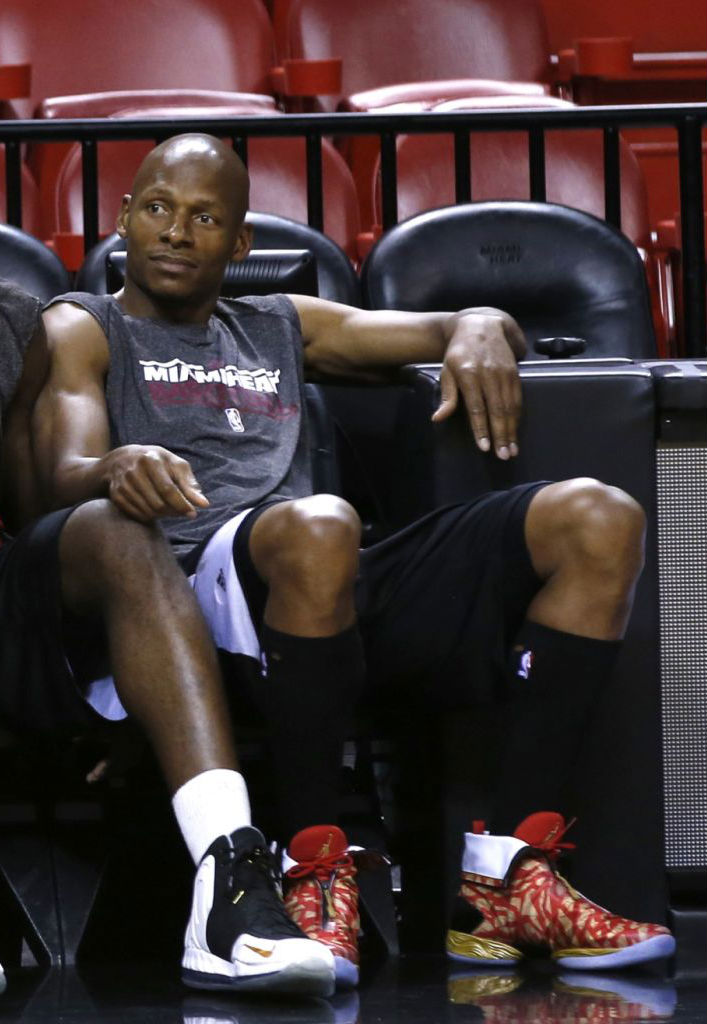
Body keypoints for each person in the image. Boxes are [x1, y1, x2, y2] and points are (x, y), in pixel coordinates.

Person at [35, 133, 674, 991]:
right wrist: (113, 467)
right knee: (321, 525)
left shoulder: (280, 322)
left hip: (317, 569)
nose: (177, 233)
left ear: (239, 246)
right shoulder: (85, 324)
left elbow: (448, 326)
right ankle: (310, 873)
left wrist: (480, 322)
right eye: (156, 210)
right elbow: (60, 477)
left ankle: (508, 878)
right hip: (184, 588)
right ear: (122, 222)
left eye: (204, 218)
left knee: (597, 516)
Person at [0, 277, 336, 997]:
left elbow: (34, 507)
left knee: (118, 531)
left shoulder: (16, 322)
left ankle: (229, 887)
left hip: (17, 599)